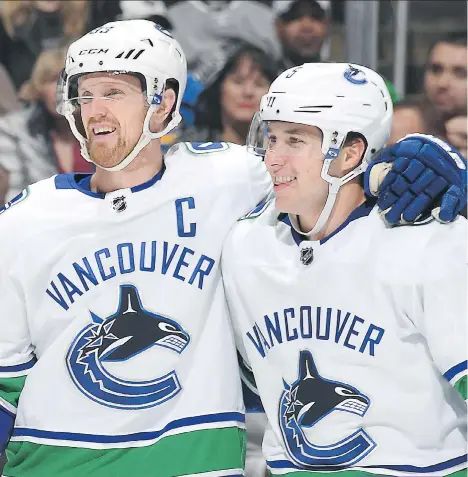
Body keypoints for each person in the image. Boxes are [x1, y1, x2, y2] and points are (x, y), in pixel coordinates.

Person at [0, 20, 465, 477]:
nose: (94, 110)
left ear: (163, 102)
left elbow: (330, 170)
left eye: (114, 92)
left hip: (195, 466)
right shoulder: (24, 220)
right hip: (51, 464)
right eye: (85, 94)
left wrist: (417, 160)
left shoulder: (232, 180)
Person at [221, 63, 467, 476]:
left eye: (295, 141)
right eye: (272, 138)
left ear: (351, 151)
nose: (274, 159)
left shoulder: (429, 241)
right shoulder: (244, 246)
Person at [0, 46, 94, 203]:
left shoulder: (103, 126)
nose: (60, 89)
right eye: (51, 80)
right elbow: (14, 198)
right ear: (38, 87)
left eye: (69, 79)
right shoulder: (15, 132)